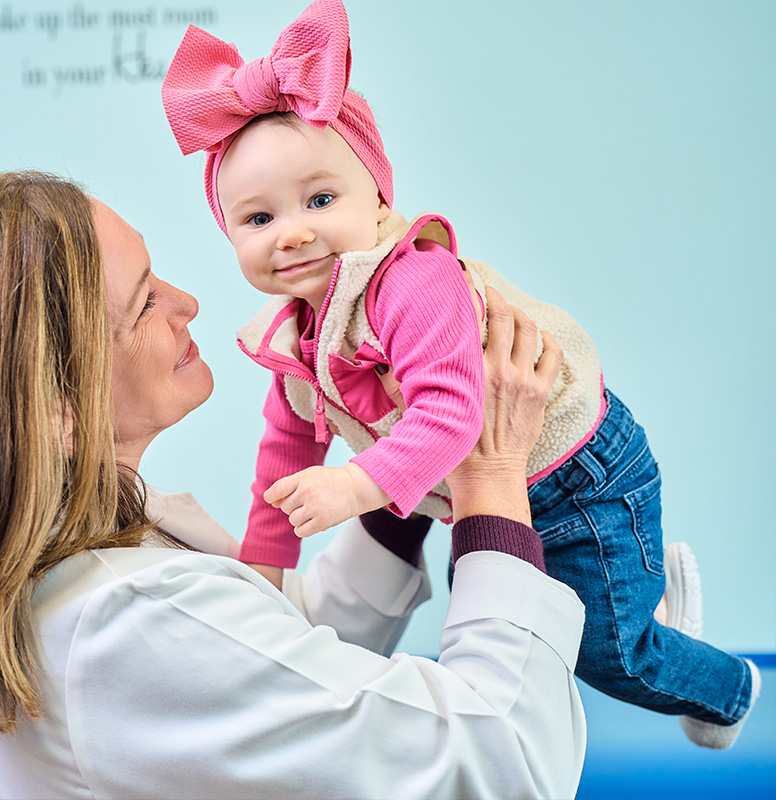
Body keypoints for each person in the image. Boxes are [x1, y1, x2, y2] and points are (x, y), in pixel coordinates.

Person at [0, 171, 588, 798]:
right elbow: (505, 767)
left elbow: (281, 658)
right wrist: (488, 475)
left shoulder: (71, 566)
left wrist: (401, 463)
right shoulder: (130, 622)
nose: (186, 302)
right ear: (57, 407)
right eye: (144, 302)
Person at [160, 0, 759, 749]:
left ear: (377, 196)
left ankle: (730, 686)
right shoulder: (295, 331)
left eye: (320, 199)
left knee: (603, 652)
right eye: (258, 220)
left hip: (576, 473)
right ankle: (639, 593)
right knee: (506, 604)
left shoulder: (413, 279)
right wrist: (265, 578)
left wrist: (351, 487)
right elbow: (281, 455)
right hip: (476, 479)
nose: (295, 232)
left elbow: (448, 413)